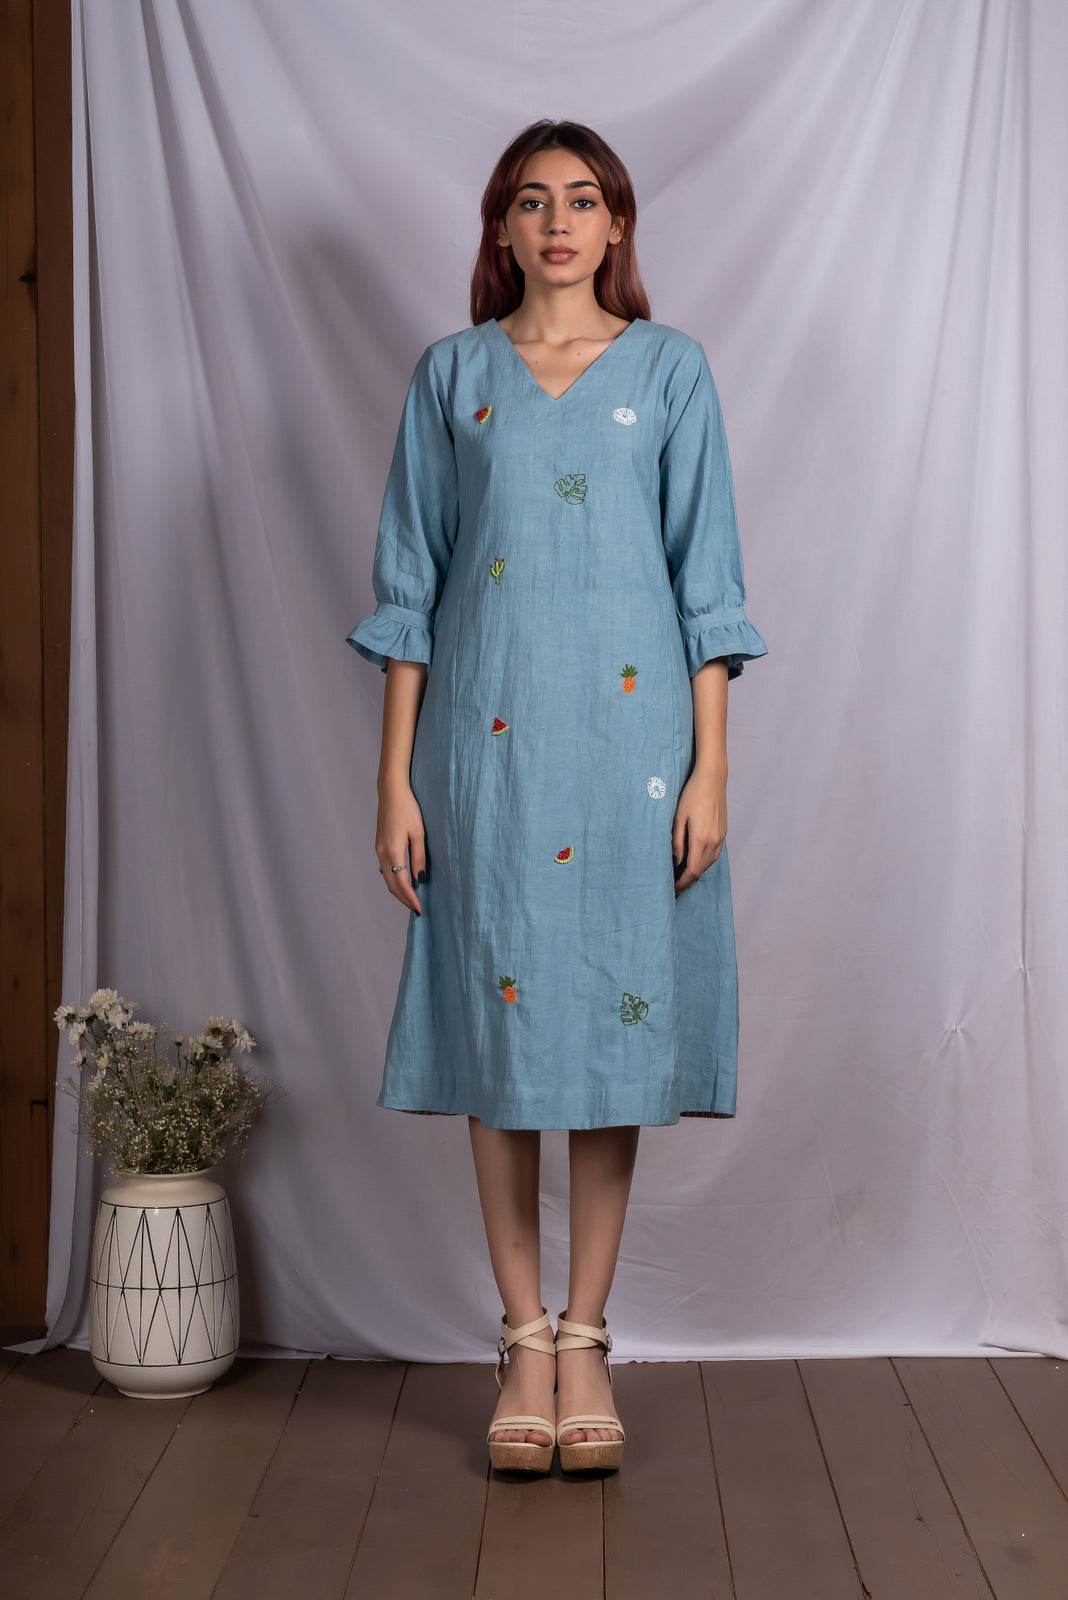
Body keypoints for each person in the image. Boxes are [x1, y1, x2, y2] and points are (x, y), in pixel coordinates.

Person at [346, 119, 767, 1476]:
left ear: (618, 223)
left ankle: (587, 1337)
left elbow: (709, 587)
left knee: (609, 1036)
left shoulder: (671, 371)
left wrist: (711, 768)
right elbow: (410, 588)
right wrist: (395, 778)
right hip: (489, 756)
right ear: (502, 228)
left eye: (584, 200)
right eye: (533, 201)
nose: (560, 223)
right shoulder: (453, 375)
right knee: (504, 1032)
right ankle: (521, 1337)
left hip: (635, 756)